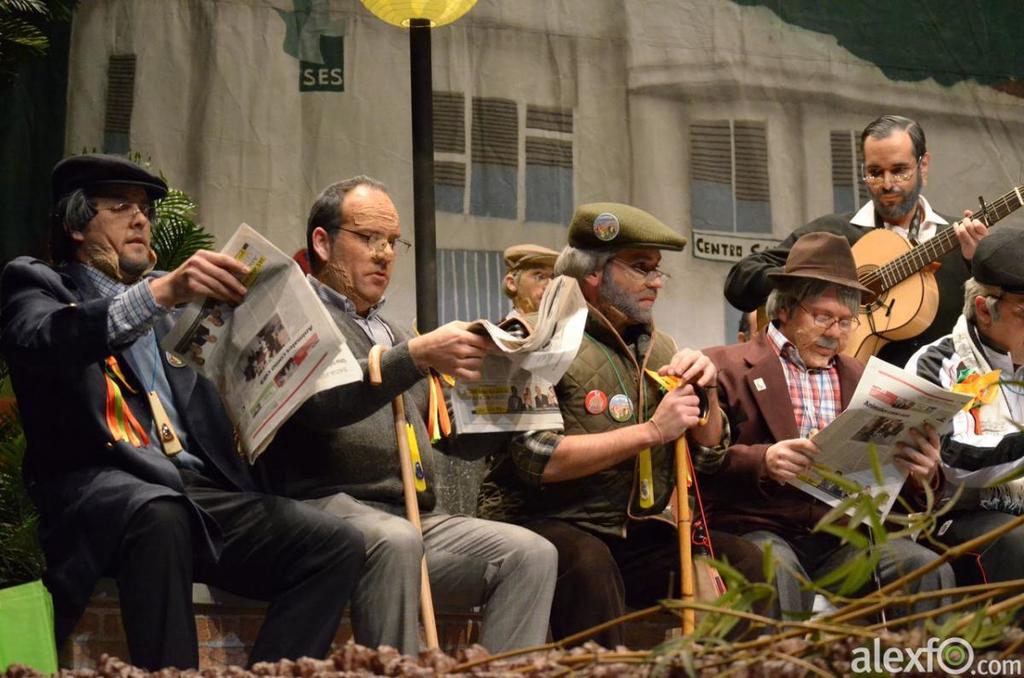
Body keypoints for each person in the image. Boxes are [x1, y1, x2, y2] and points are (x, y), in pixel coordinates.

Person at [0, 154, 365, 670]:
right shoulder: (40, 284)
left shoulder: (179, 310)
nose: (141, 219)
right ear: (75, 226)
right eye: (120, 206)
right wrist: (160, 292)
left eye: (146, 209)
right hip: (108, 490)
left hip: (194, 494)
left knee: (335, 544)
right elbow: (42, 339)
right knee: (159, 512)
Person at [257, 176, 557, 656]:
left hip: (417, 519)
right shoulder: (294, 312)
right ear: (323, 241)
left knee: (531, 554)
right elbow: (320, 403)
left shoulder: (394, 332)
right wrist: (415, 355)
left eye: (393, 242)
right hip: (325, 511)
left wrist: (513, 400)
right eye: (368, 238)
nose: (384, 254)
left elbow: (451, 438)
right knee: (395, 542)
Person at [477, 202, 766, 647]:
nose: (656, 281)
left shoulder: (661, 346)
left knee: (744, 562)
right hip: (541, 521)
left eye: (658, 270)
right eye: (640, 267)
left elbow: (708, 458)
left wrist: (706, 392)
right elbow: (538, 459)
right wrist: (653, 432)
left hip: (629, 531)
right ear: (594, 274)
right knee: (589, 564)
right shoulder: (532, 338)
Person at [703, 231, 955, 620]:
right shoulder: (724, 367)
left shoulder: (869, 378)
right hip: (758, 528)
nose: (836, 333)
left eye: (846, 321)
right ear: (783, 310)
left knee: (925, 568)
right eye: (823, 317)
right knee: (771, 568)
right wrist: (763, 460)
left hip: (845, 538)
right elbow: (696, 466)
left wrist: (924, 473)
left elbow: (903, 500)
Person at [724, 114, 989, 367]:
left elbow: (998, 326)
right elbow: (740, 280)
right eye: (875, 172)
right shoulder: (834, 235)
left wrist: (978, 267)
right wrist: (812, 283)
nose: (886, 184)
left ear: (924, 165)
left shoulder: (960, 242)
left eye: (899, 171)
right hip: (848, 398)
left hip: (942, 395)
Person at [906, 228, 1024, 585]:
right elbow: (953, 459)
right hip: (949, 518)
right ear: (984, 311)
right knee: (1016, 540)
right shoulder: (936, 364)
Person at [501, 243, 558, 327]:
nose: (550, 286)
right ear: (512, 283)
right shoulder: (500, 334)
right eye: (540, 277)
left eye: (554, 278)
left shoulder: (563, 332)